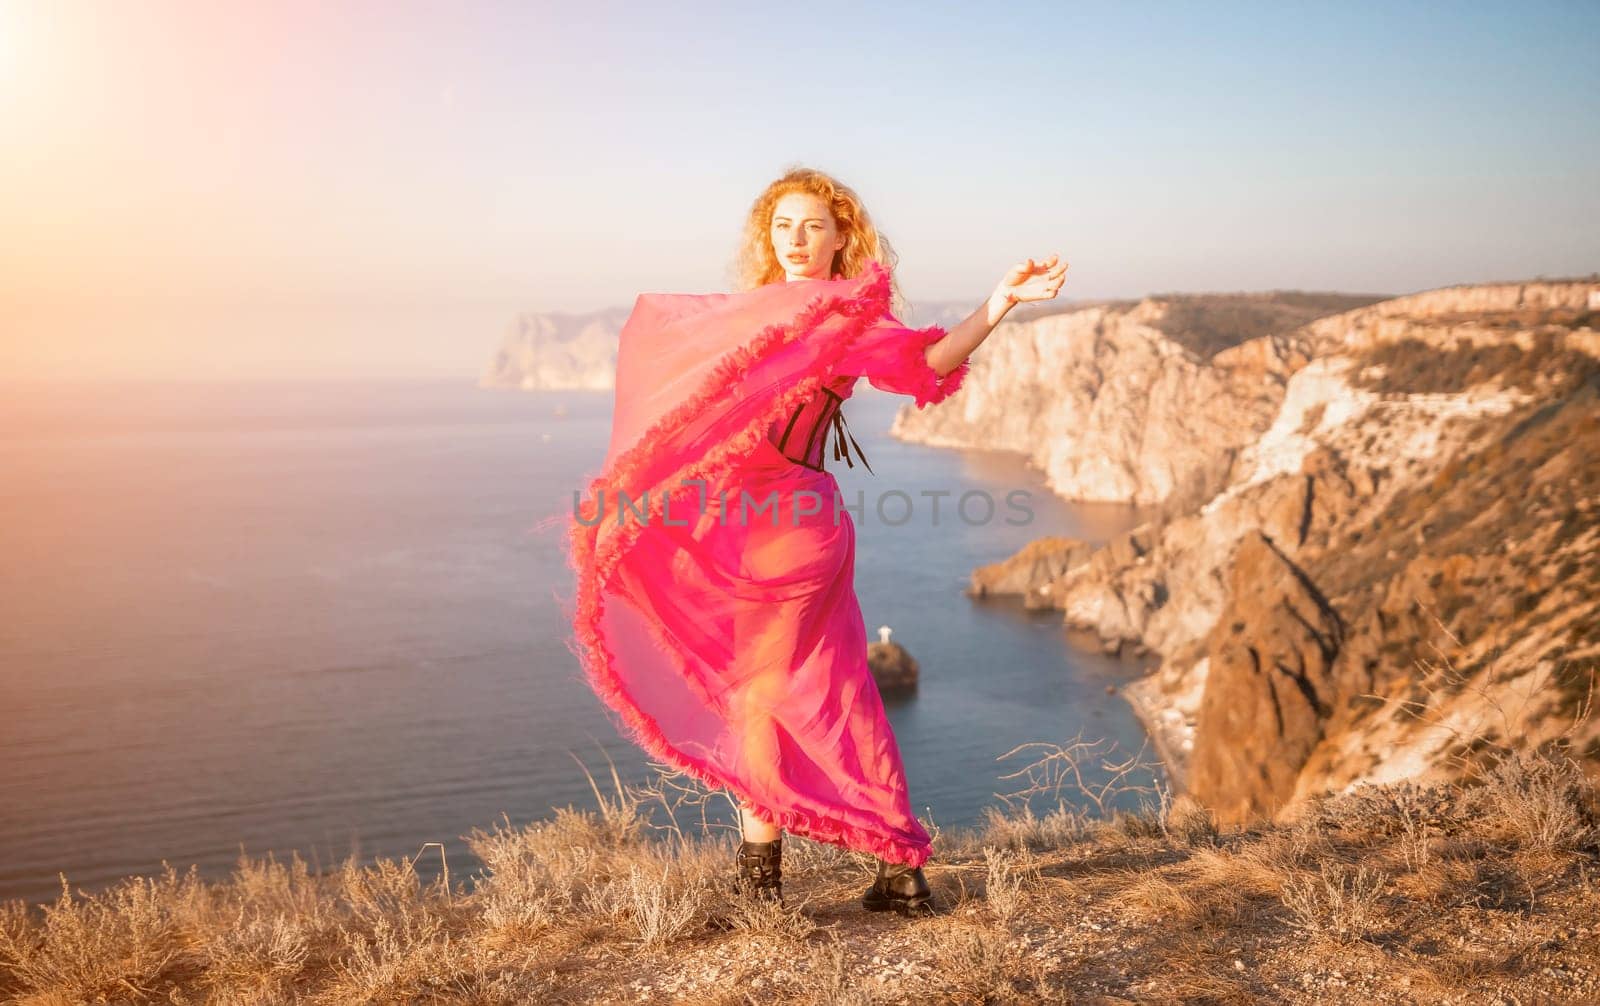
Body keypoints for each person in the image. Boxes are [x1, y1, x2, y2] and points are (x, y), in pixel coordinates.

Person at [565, 166, 1067, 918]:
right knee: (824, 687)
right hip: (754, 522)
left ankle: (765, 882)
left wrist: (997, 305)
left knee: (757, 696)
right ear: (767, 238)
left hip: (783, 531)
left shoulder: (842, 318)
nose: (796, 240)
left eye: (812, 226)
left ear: (842, 237)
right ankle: (892, 867)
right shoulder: (756, 315)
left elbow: (923, 365)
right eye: (782, 227)